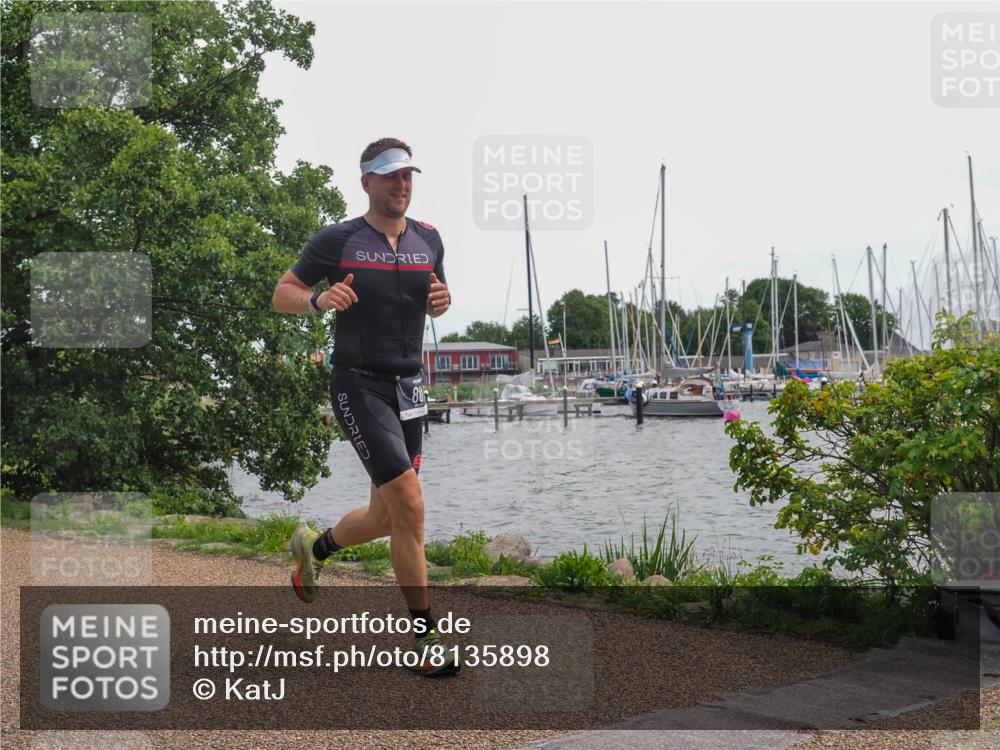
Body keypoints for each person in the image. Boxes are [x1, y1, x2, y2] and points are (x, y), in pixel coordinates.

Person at [271, 138, 457, 676]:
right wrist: (316, 299)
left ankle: (315, 546)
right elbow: (282, 291)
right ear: (367, 182)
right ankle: (425, 638)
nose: (401, 185)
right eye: (390, 176)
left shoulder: (428, 239)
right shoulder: (338, 239)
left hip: (409, 388)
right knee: (411, 506)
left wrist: (442, 300)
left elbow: (435, 293)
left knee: (386, 515)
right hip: (358, 384)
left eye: (408, 176)